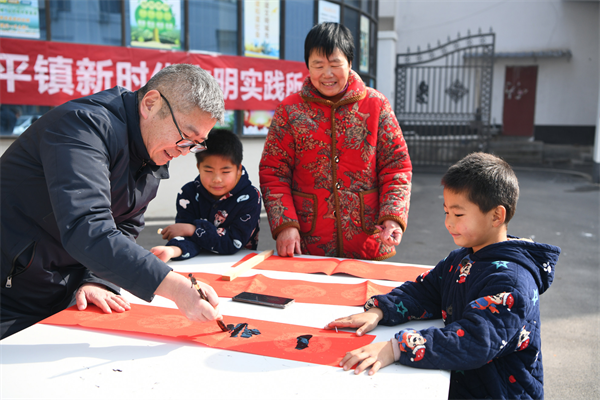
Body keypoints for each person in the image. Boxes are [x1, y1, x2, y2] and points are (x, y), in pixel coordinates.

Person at [0, 63, 226, 339]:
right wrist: (176, 287)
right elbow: (87, 228)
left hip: (60, 292)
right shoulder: (81, 127)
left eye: (195, 144)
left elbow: (126, 226)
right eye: (185, 137)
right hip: (10, 291)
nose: (184, 151)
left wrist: (97, 279)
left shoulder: (150, 153)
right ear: (151, 103)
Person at [326, 152, 561, 400]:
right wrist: (380, 310)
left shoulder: (512, 282)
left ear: (496, 216)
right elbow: (426, 290)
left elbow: (475, 340)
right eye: (446, 211)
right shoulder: (461, 258)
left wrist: (396, 348)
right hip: (463, 383)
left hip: (498, 392)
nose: (448, 222)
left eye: (458, 215)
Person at [259, 22, 412, 261]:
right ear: (308, 66)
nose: (327, 74)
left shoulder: (376, 105)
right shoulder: (290, 110)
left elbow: (396, 166)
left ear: (350, 63)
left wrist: (392, 216)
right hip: (308, 243)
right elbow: (274, 172)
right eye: (318, 65)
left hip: (369, 239)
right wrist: (285, 225)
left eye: (335, 64)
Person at [150, 128, 261, 262]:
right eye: (208, 171)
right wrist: (172, 250)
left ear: (238, 169)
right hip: (196, 267)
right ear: (198, 167)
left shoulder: (250, 196)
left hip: (239, 265)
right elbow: (188, 239)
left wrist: (193, 229)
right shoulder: (188, 194)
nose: (217, 179)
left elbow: (233, 242)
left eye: (225, 171)